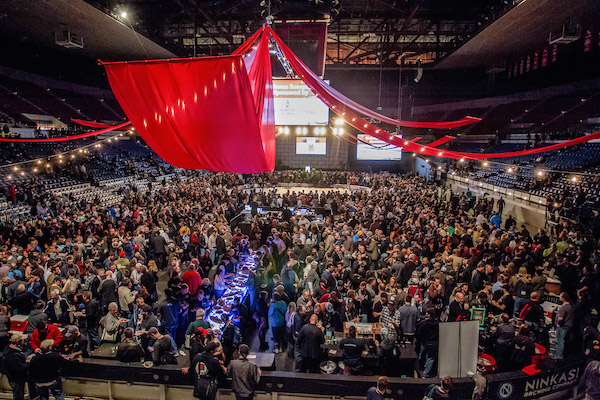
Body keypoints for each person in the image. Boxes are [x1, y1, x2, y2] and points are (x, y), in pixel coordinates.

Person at [3, 332, 28, 400]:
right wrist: (28, 364)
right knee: (18, 397)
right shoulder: (13, 355)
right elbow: (18, 369)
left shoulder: (9, 349)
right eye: (23, 339)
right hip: (16, 380)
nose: (24, 341)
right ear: (18, 342)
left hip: (15, 378)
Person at [555, 292, 574, 360]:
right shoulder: (570, 306)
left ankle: (558, 356)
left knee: (560, 341)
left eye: (560, 296)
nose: (559, 297)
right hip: (568, 326)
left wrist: (558, 324)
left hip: (562, 327)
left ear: (563, 298)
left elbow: (560, 319)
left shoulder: (563, 308)